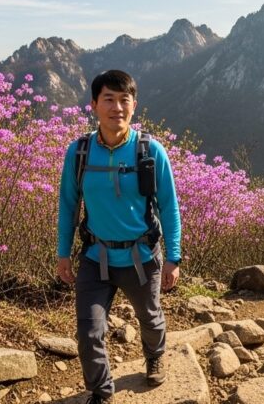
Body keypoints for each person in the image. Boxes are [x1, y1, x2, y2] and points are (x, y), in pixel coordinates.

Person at [55, 69, 182, 404]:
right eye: (108, 99)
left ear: (134, 105)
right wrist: (63, 253)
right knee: (88, 331)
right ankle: (102, 391)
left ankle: (154, 355)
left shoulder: (150, 152)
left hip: (140, 258)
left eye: (124, 99)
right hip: (95, 258)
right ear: (94, 105)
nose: (117, 107)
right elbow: (68, 205)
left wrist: (173, 258)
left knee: (150, 319)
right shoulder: (79, 153)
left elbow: (169, 207)